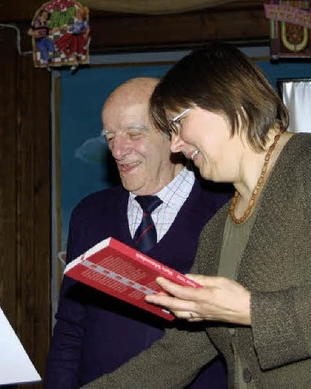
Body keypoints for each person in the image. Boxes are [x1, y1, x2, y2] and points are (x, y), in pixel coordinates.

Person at [83, 42, 311, 389]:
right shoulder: (217, 228)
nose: (175, 145)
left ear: (227, 102)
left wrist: (252, 310)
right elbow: (182, 351)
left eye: (178, 124)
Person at [45, 77, 232, 388]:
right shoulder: (89, 215)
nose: (118, 151)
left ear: (174, 135)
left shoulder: (226, 211)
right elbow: (70, 327)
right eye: (109, 138)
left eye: (134, 134)